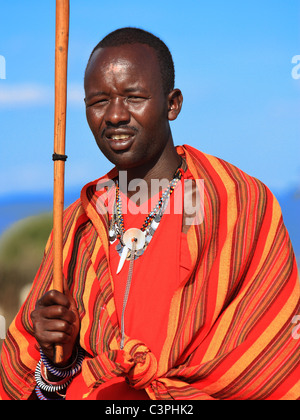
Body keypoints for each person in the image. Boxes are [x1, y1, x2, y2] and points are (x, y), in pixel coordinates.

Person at [0, 27, 299, 401]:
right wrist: (56, 360)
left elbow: (269, 363)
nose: (114, 115)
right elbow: (39, 387)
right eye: (98, 102)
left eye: (134, 97)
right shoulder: (78, 225)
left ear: (172, 104)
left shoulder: (236, 204)